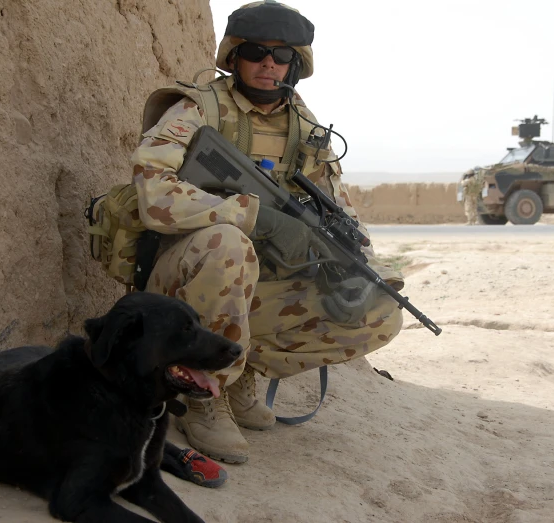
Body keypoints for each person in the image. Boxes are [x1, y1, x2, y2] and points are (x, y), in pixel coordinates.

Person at [130, 0, 404, 464]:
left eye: (282, 57)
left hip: (253, 277)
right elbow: (153, 195)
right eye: (256, 51)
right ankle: (203, 391)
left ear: (298, 66)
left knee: (380, 311)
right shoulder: (196, 110)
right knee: (228, 242)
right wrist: (252, 215)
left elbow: (339, 208)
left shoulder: (305, 126)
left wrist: (357, 262)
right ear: (234, 56)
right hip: (179, 275)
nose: (268, 64)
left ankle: (241, 375)